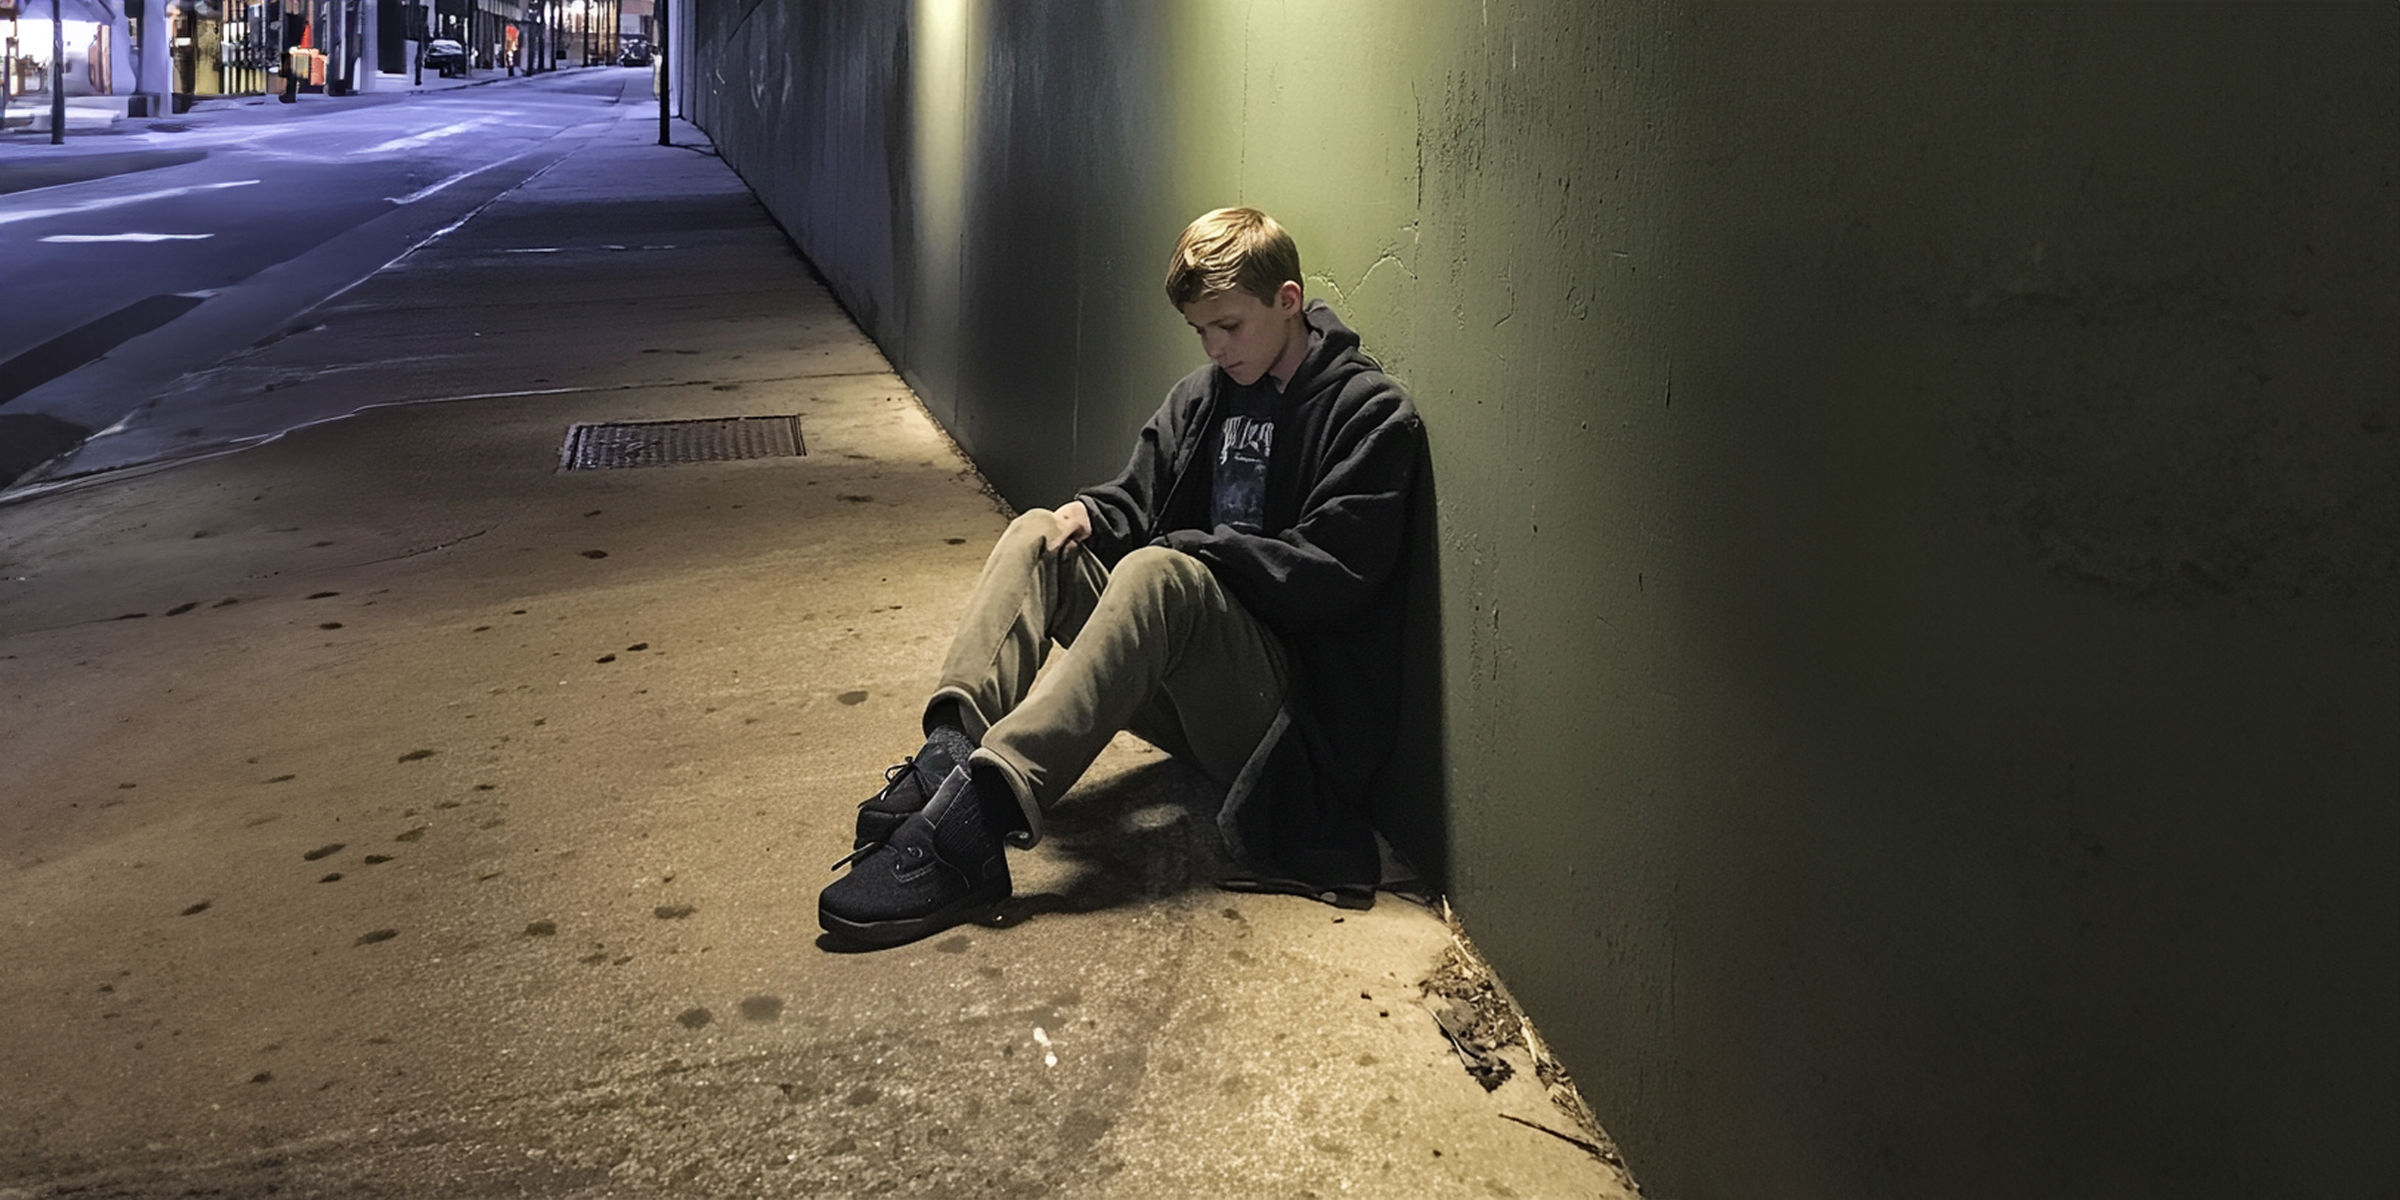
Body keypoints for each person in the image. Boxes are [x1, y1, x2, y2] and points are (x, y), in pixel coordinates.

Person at [818, 207, 1423, 949]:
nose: (1216, 347)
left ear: (1288, 301)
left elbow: (1330, 576)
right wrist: (1087, 513)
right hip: (1192, 693)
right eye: (1200, 331)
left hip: (1282, 723)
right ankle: (948, 751)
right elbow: (1135, 502)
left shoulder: (1370, 415)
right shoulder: (1207, 397)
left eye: (1229, 326)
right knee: (1041, 532)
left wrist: (1195, 551)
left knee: (1161, 573)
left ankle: (979, 817)